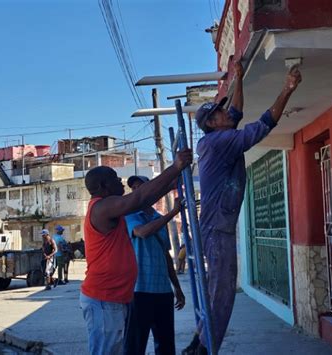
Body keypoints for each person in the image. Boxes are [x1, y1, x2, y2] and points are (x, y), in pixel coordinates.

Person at [185, 61, 302, 355]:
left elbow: (235, 110)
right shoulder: (220, 142)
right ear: (212, 123)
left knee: (217, 292)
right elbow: (263, 126)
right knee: (222, 295)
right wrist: (287, 89)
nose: (227, 113)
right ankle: (204, 348)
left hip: (216, 226)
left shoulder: (217, 135)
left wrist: (238, 79)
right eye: (219, 112)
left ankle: (199, 342)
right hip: (217, 229)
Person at [80, 149, 193, 355]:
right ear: (103, 187)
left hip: (114, 299)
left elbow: (144, 200)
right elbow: (139, 199)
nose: (121, 183)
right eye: (116, 179)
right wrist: (175, 167)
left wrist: (172, 181)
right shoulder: (102, 207)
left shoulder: (113, 208)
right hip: (104, 299)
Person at [124, 175, 186, 355]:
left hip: (163, 292)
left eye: (141, 187)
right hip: (138, 290)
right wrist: (173, 213)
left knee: (166, 345)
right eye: (133, 188)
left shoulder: (159, 218)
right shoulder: (130, 215)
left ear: (152, 191)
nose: (136, 191)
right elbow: (142, 233)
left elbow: (165, 255)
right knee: (135, 345)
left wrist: (177, 287)